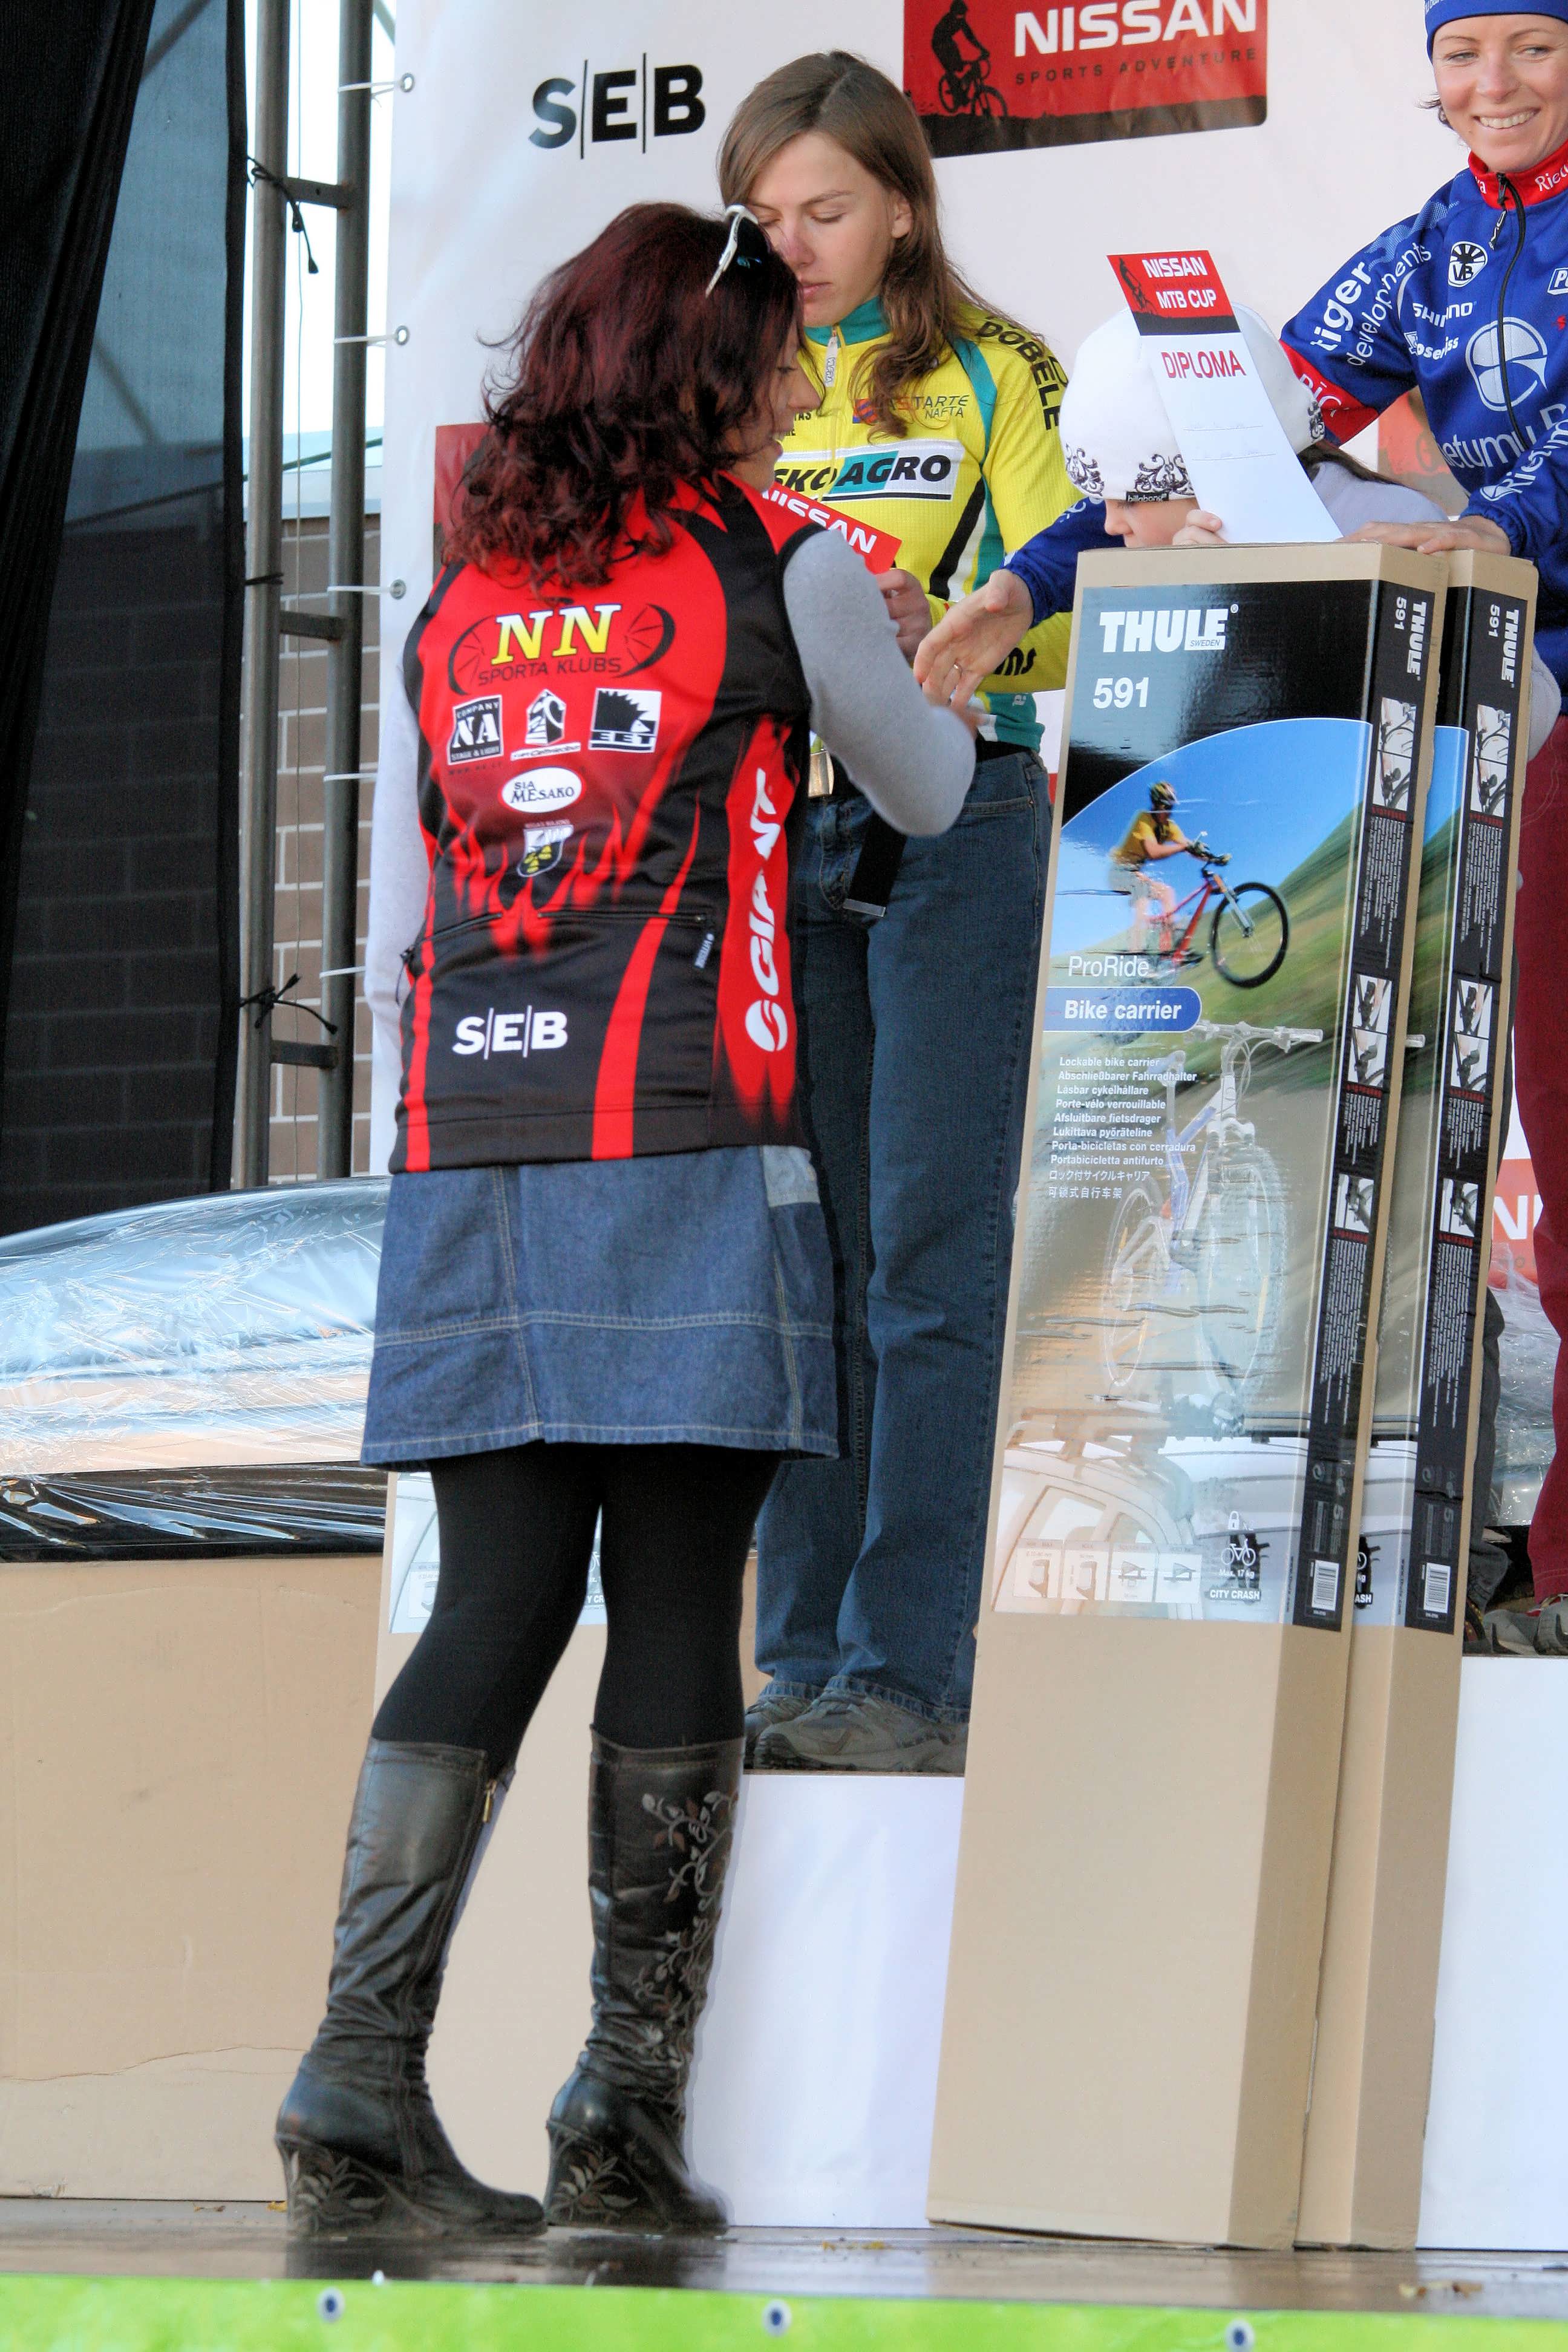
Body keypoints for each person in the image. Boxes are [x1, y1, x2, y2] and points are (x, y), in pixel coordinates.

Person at [273, 201, 976, 2242]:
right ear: (714, 370)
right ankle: (620, 2115)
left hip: (473, 1137)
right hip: (691, 1132)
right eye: (780, 358)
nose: (796, 390)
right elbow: (928, 791)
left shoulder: (463, 588)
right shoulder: (788, 560)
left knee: (492, 1596)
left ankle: (356, 2080)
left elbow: (408, 902)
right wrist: (917, 643)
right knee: (678, 1594)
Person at [717, 51, 1077, 1774]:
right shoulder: (731, 375)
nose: (790, 247)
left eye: (827, 211)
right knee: (810, 1260)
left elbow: (1070, 598)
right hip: (776, 826)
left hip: (957, 814)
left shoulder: (990, 366)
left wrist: (968, 613)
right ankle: (801, 1661)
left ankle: (909, 1671)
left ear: (905, 209)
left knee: (930, 1256)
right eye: (762, 216)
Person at [1110, 779, 1226, 954]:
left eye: (1171, 808)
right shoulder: (1144, 819)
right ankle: (1135, 951)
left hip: (1135, 873)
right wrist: (1183, 847)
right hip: (1119, 871)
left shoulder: (1169, 827)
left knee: (1167, 892)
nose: (1169, 812)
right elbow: (1153, 852)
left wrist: (1213, 858)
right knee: (1142, 892)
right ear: (1156, 804)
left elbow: (1188, 846)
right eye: (1165, 807)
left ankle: (1169, 949)